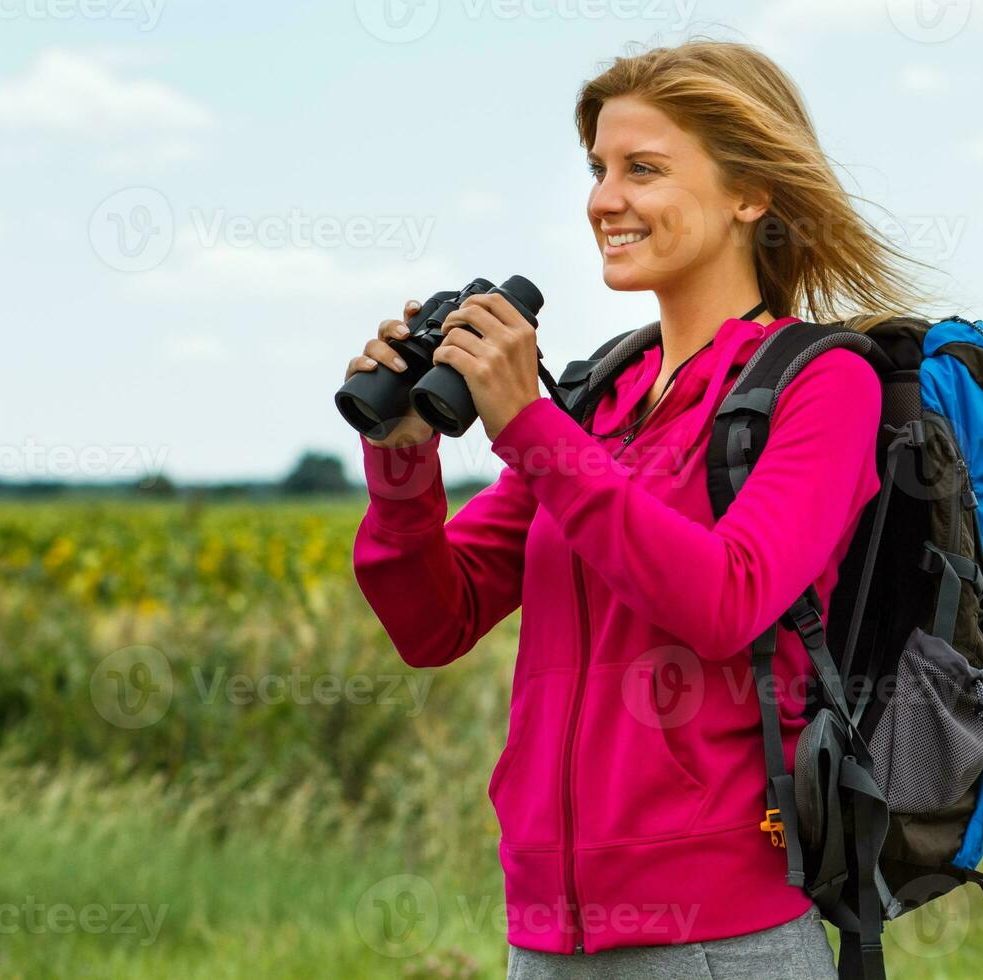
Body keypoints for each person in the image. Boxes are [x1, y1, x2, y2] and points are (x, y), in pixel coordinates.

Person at [344, 39, 931, 980]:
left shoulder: (821, 383)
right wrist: (402, 458)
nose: (603, 200)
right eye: (598, 169)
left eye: (644, 170)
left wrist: (529, 423)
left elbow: (728, 598)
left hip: (720, 937)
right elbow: (434, 621)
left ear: (751, 194)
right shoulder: (598, 399)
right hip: (543, 934)